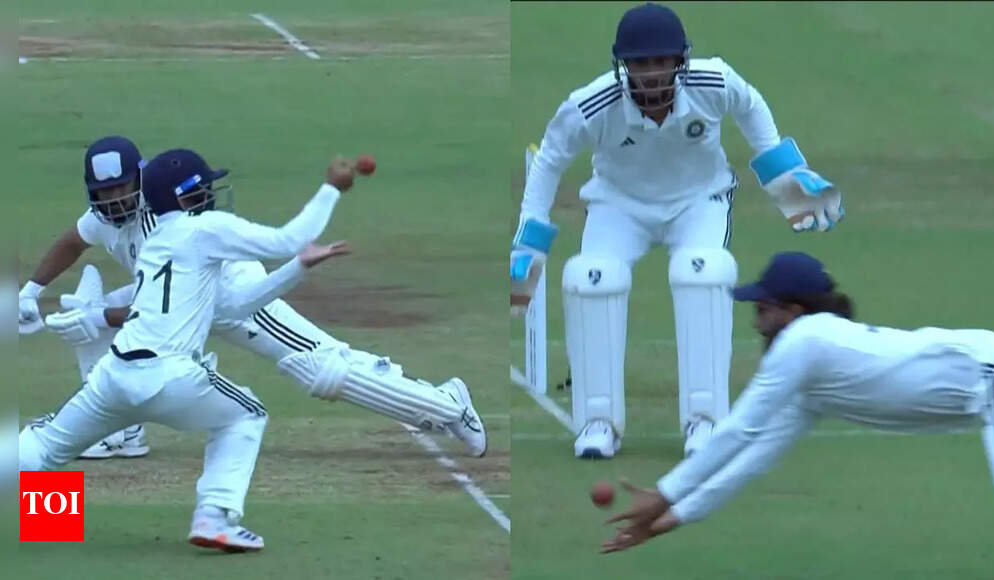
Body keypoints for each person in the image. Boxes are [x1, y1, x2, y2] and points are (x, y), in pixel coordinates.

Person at [509, 3, 844, 459]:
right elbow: (549, 158)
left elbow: (750, 106)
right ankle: (597, 422)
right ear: (623, 65)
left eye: (660, 61)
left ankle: (705, 421)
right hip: (617, 205)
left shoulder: (714, 81)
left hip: (698, 201)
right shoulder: (592, 103)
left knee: (702, 273)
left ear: (679, 60)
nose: (651, 73)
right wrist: (529, 238)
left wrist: (786, 176)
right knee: (592, 279)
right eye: (640, 63)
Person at [20, 136, 487, 460]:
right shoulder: (105, 219)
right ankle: (127, 440)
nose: (114, 199)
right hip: (177, 318)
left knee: (322, 370)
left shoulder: (172, 215)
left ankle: (447, 405)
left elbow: (167, 300)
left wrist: (102, 316)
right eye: (104, 192)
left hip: (231, 296)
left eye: (121, 188)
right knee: (82, 319)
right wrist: (32, 291)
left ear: (140, 180)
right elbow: (73, 243)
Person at [601, 252, 994, 553]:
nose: (756, 324)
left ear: (793, 311)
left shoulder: (805, 340)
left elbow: (740, 428)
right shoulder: (814, 383)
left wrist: (665, 492)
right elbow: (756, 455)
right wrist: (677, 515)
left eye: (763, 310)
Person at [19, 147, 352, 551]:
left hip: (114, 376)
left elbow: (235, 307)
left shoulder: (154, 244)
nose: (210, 193)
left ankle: (49, 526)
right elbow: (289, 239)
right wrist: (332, 189)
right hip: (172, 377)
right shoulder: (206, 227)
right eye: (203, 187)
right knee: (246, 416)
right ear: (187, 194)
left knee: (46, 446)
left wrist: (298, 268)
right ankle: (214, 518)